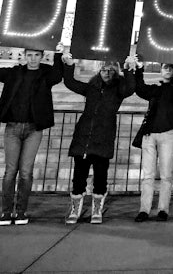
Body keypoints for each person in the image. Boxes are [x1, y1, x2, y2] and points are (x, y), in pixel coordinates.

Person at [0, 36, 64, 226]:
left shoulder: (46, 74)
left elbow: (58, 75)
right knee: (10, 171)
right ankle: (6, 212)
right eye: (30, 55)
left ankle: (20, 211)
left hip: (34, 129)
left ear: (42, 56)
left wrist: (59, 54)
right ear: (24, 55)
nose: (33, 58)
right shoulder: (14, 73)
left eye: (37, 55)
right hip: (12, 127)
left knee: (26, 172)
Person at [61, 52, 136, 224]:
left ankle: (97, 209)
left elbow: (131, 88)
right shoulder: (91, 87)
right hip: (84, 138)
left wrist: (129, 69)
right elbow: (70, 82)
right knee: (78, 176)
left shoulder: (119, 89)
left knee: (100, 176)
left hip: (103, 138)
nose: (106, 73)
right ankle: (75, 209)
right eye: (103, 69)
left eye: (110, 70)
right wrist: (69, 65)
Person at [132, 40, 173, 222]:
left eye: (171, 67)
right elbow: (139, 88)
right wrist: (139, 69)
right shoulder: (154, 90)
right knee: (148, 175)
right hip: (150, 135)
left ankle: (163, 209)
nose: (168, 70)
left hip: (168, 134)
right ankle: (144, 209)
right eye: (165, 67)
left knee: (166, 175)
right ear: (161, 69)